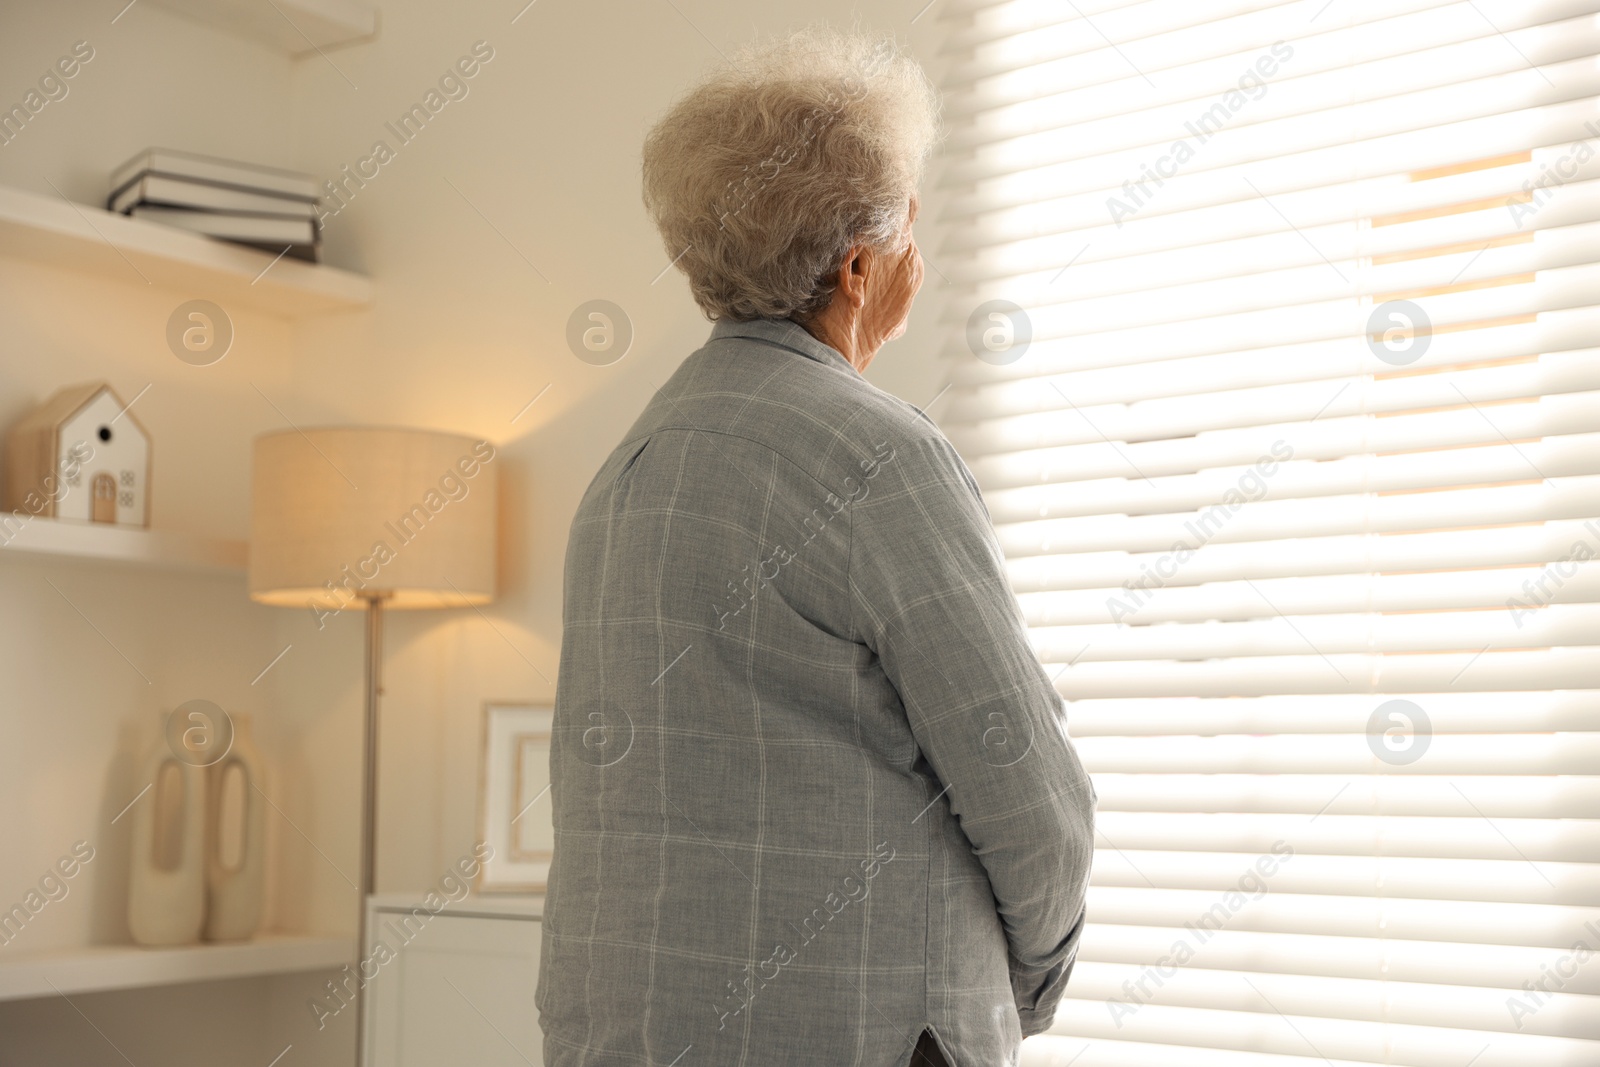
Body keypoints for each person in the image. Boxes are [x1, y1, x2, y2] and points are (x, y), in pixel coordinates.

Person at [536, 27, 1095, 1067]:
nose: (918, 258)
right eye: (911, 225)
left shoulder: (626, 470)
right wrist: (1016, 990)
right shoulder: (881, 457)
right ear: (855, 265)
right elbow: (1035, 805)